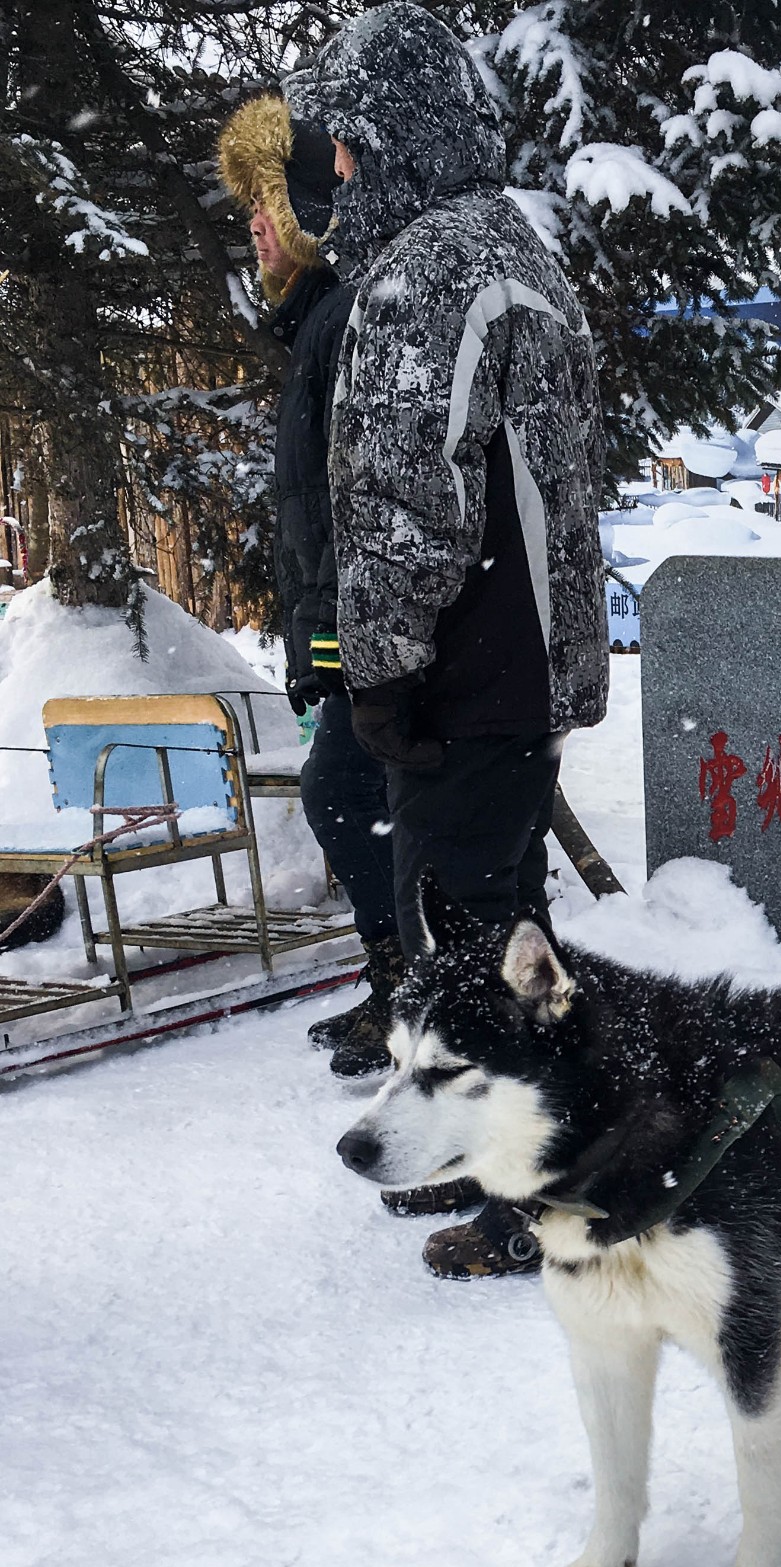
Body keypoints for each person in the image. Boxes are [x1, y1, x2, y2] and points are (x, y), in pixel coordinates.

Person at [287, 3, 609, 1280]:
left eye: (347, 147)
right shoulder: (518, 249)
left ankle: (542, 1183)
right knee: (504, 935)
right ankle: (512, 1156)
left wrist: (379, 669)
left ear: (391, 138)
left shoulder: (428, 272)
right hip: (517, 668)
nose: (337, 174)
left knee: (473, 939)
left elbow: (408, 507)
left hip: (461, 673)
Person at [217, 95, 406, 1080]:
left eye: (267, 204)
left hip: (367, 634)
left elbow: (360, 494)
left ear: (307, 209)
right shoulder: (317, 323)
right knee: (351, 803)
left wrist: (334, 642)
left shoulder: (342, 318)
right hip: (347, 631)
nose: (253, 224)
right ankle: (397, 989)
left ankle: (414, 993)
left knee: (345, 798)